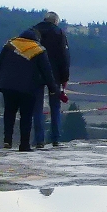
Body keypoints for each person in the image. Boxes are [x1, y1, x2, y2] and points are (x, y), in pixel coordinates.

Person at [0, 26, 60, 151]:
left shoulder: (10, 45)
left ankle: (7, 140)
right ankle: (24, 144)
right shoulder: (38, 49)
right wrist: (52, 88)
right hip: (28, 88)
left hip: (7, 86)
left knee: (9, 113)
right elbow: (47, 71)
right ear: (36, 38)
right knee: (26, 116)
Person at [28, 12, 71, 148]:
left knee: (37, 107)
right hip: (55, 75)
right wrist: (65, 78)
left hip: (36, 73)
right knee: (55, 106)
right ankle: (55, 139)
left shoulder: (33, 32)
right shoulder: (59, 33)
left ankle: (39, 140)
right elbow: (64, 57)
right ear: (56, 22)